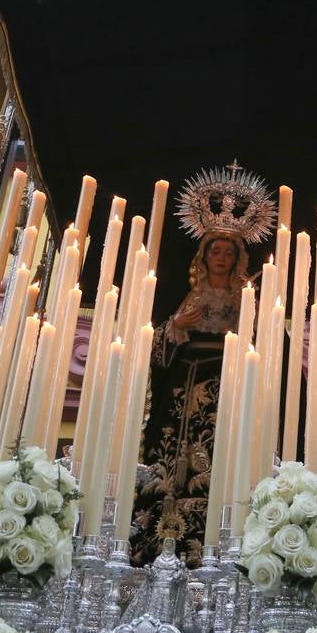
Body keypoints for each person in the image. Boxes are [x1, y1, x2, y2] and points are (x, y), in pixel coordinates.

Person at [130, 230, 254, 567]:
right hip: (182, 387)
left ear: (237, 260)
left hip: (223, 386)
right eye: (216, 251)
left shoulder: (245, 298)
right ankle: (155, 538)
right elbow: (154, 344)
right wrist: (176, 325)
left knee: (216, 453)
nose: (221, 258)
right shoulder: (187, 295)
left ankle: (212, 543)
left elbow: (262, 344)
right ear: (204, 256)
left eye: (229, 253)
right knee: (171, 457)